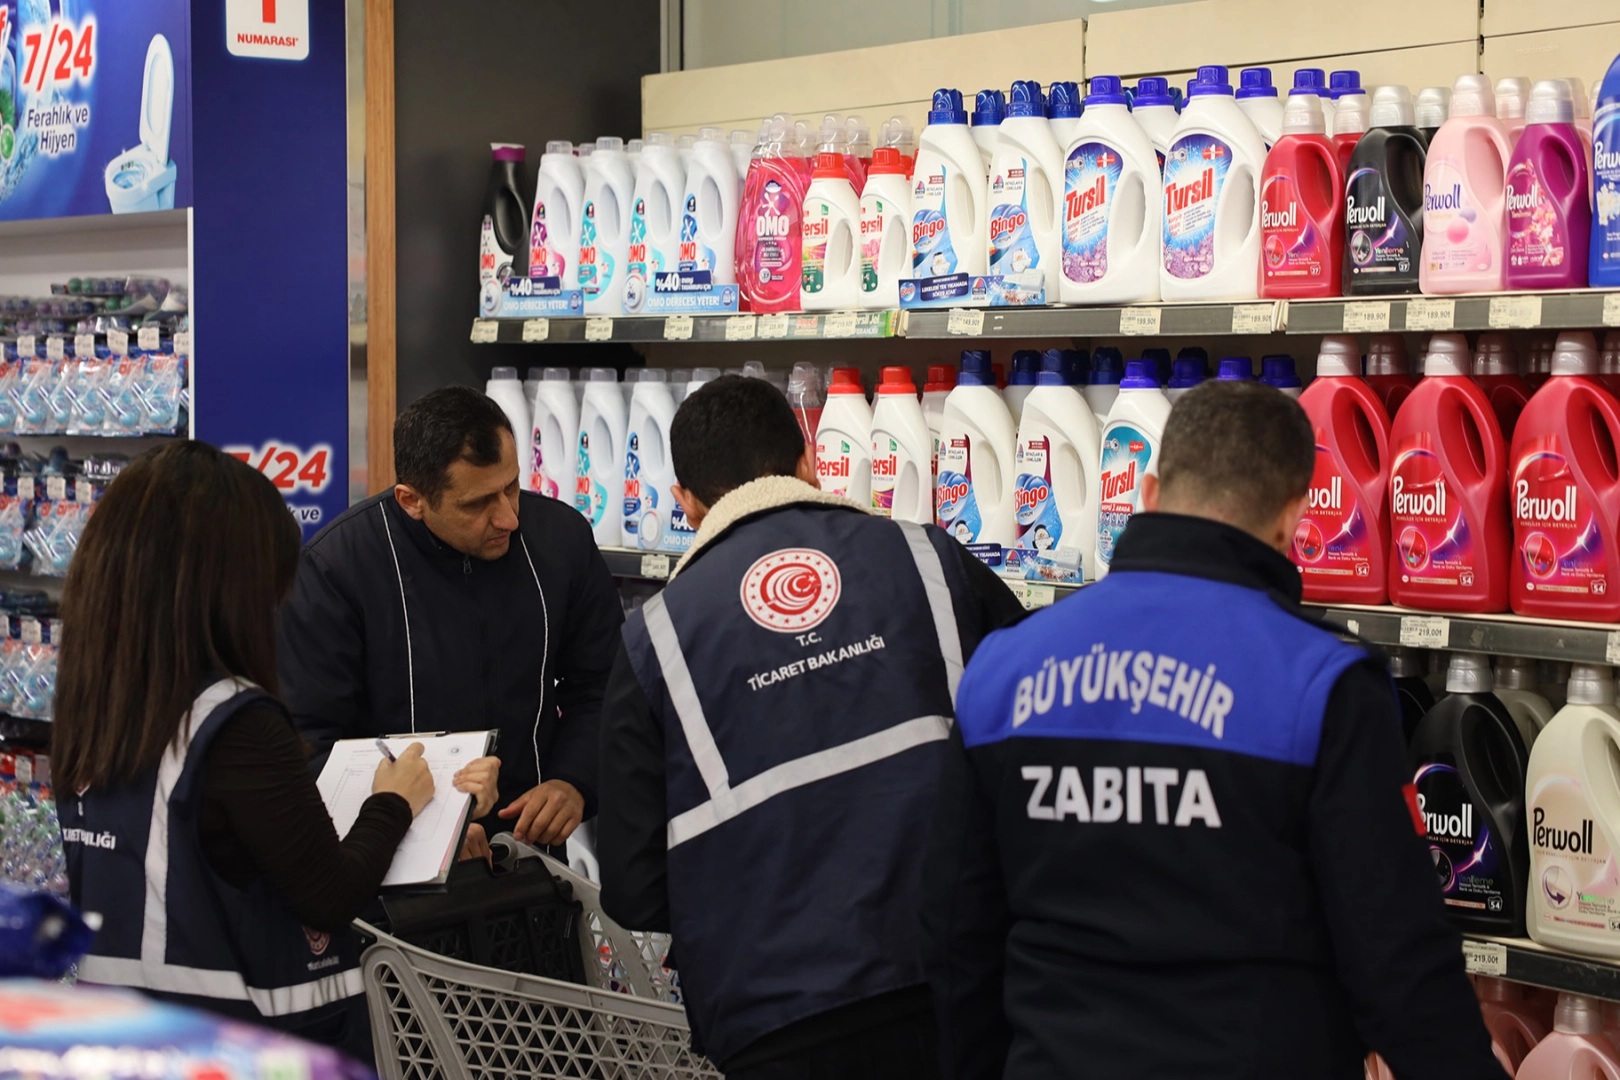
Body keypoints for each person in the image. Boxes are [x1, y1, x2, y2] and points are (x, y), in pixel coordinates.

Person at [924, 380, 1506, 1080]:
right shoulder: (1321, 684)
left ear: (1147, 491)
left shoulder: (1003, 671)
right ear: (1292, 519)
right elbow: (1401, 968)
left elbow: (957, 938)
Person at [597, 375, 1027, 1079]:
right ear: (808, 460)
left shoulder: (653, 639)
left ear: (686, 504)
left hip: (772, 1016)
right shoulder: (929, 559)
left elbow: (635, 888)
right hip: (956, 979)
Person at [54, 442, 497, 1057]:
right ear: (228, 582)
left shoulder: (96, 707)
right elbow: (329, 893)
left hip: (119, 1036)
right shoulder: (237, 724)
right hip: (245, 1046)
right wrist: (395, 802)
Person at [278, 386, 623, 854]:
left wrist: (575, 782)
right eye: (478, 503)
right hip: (389, 867)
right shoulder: (338, 570)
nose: (508, 518)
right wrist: (429, 825)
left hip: (532, 860)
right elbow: (309, 745)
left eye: (512, 487)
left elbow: (604, 684)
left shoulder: (560, 541)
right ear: (411, 500)